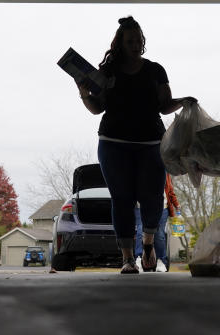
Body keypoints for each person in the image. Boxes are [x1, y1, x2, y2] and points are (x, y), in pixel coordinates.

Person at [76, 16, 194, 274]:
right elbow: (97, 109)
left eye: (139, 40)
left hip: (151, 143)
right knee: (122, 199)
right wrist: (84, 92)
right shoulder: (108, 72)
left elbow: (164, 106)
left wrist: (183, 101)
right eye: (130, 40)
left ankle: (148, 242)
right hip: (113, 143)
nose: (136, 44)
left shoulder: (155, 70)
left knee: (152, 198)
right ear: (120, 43)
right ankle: (128, 258)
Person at [133, 173, 180, 272]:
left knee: (159, 234)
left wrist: (176, 204)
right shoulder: (137, 165)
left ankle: (161, 261)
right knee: (140, 231)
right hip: (140, 206)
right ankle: (138, 259)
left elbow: (169, 189)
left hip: (161, 207)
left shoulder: (164, 170)